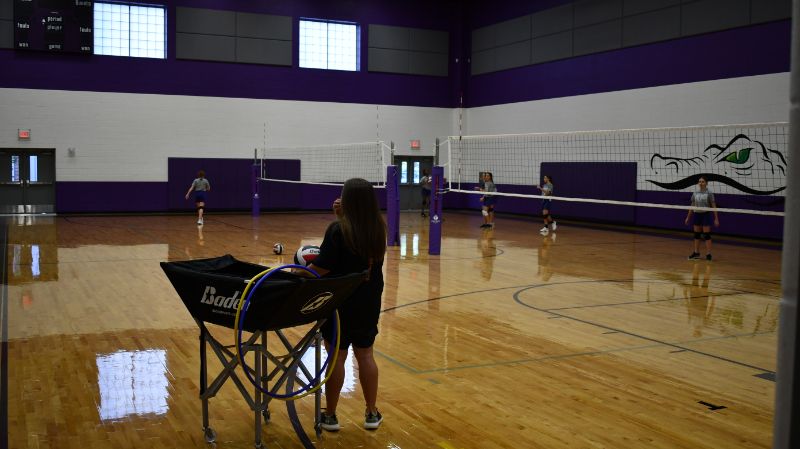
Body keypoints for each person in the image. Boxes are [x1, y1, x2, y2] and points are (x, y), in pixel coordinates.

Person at [303, 178, 387, 431]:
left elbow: (321, 268)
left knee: (337, 357)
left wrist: (298, 272)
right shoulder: (378, 227)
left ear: (347, 199)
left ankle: (330, 414)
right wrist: (342, 217)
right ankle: (371, 412)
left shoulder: (337, 229)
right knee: (366, 355)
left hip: (340, 301)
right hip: (368, 299)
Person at [684, 176, 720, 261]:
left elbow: (713, 205)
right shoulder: (695, 192)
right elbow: (692, 205)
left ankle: (708, 254)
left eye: (703, 181)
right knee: (697, 234)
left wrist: (716, 218)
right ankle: (696, 253)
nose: (701, 183)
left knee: (706, 235)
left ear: (706, 183)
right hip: (697, 214)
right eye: (699, 181)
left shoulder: (709, 193)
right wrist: (688, 217)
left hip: (705, 214)